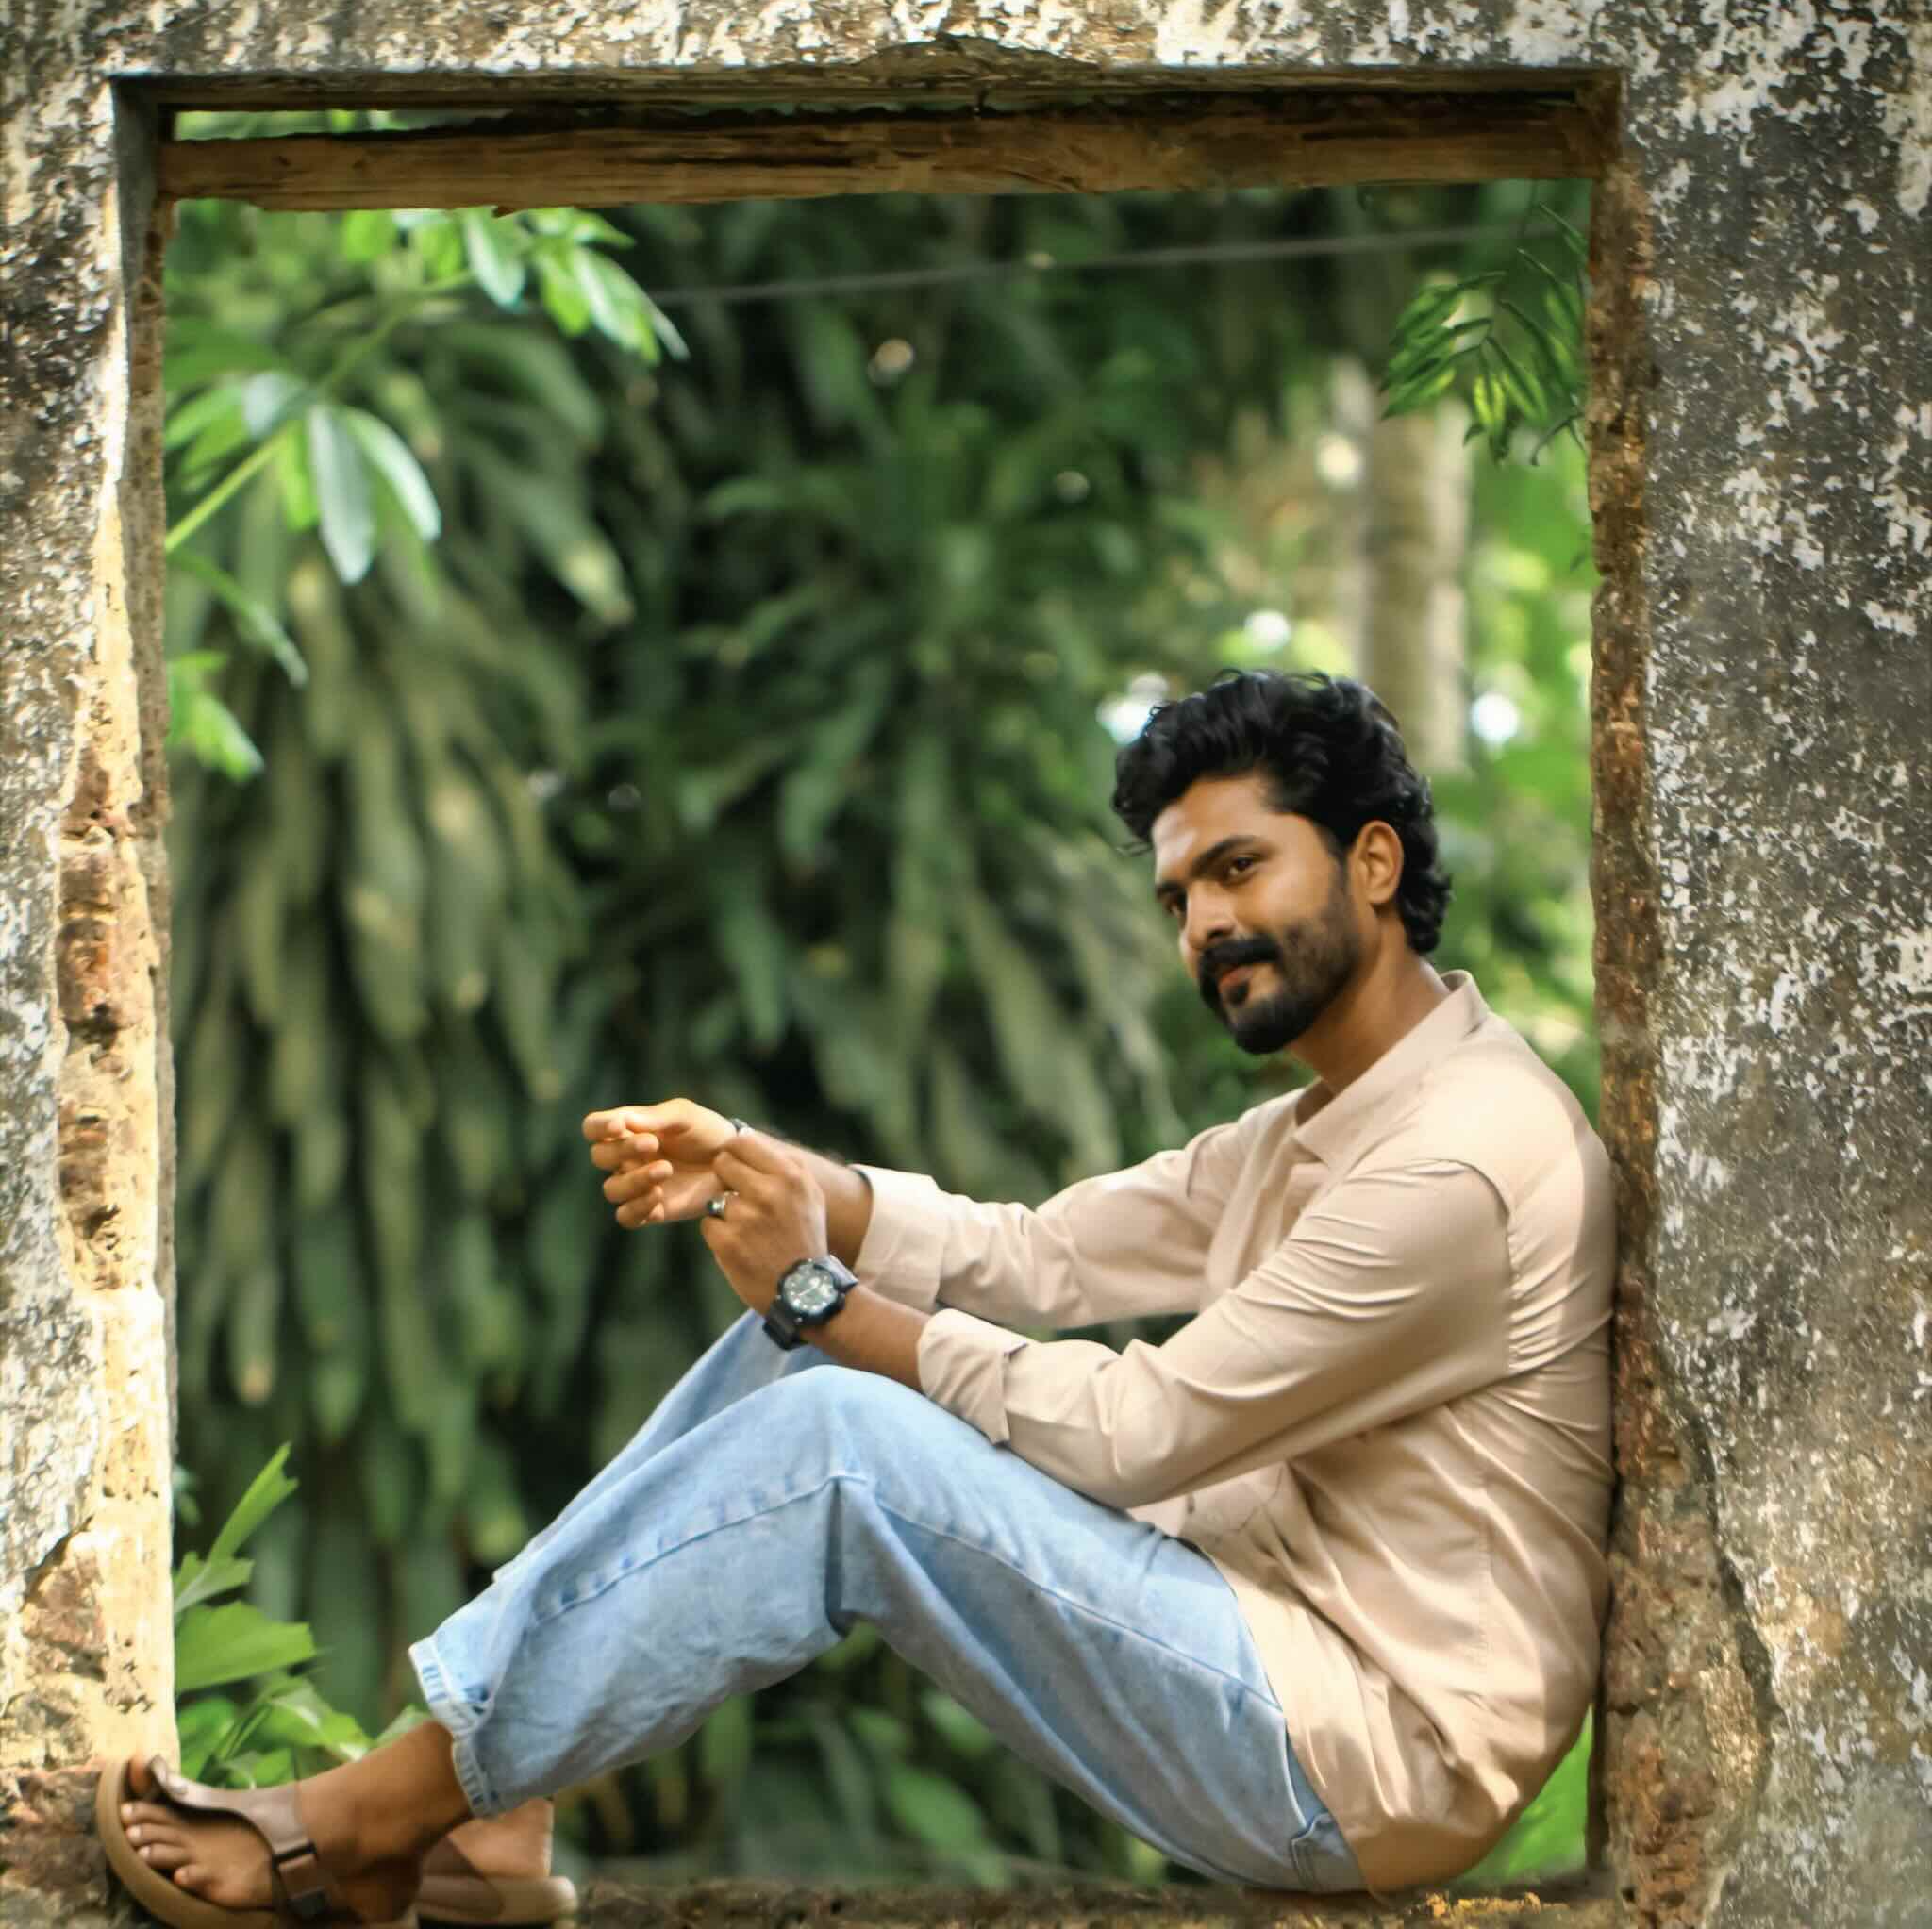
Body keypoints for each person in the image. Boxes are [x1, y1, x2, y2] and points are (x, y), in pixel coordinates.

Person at [100, 670, 1612, 1926]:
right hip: (1262, 1633)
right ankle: (483, 1809)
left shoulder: (1460, 1163)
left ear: (1371, 863)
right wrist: (789, 1182)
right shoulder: (1319, 1126)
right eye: (1177, 897)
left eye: (1238, 869)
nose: (1203, 926)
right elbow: (1039, 1253)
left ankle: (373, 1815)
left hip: (1365, 1749)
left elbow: (1144, 1430)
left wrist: (829, 1298)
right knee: (794, 1368)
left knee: (844, 1434)